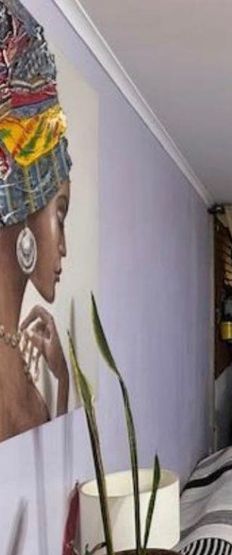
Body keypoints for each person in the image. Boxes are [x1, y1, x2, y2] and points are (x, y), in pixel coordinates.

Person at [0, 0, 73, 442]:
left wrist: (62, 379)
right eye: (59, 214)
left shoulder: (15, 346)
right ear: (26, 208)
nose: (63, 246)